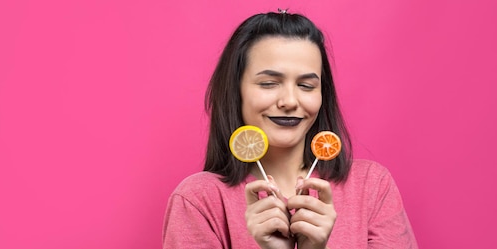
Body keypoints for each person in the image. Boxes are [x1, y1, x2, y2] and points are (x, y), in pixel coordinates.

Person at [162, 10, 418, 249]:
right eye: (269, 83)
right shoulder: (198, 200)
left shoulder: (371, 186)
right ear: (236, 91)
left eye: (306, 86)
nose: (290, 101)